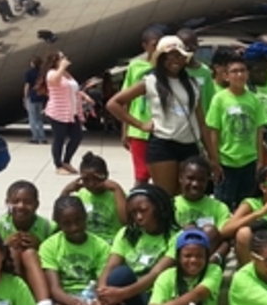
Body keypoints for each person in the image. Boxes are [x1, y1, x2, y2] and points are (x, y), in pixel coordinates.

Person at [107, 36, 221, 196]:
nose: (175, 60)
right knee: (166, 195)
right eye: (169, 56)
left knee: (187, 196)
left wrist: (213, 158)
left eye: (179, 56)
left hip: (189, 145)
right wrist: (140, 125)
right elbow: (114, 103)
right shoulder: (151, 81)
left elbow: (202, 124)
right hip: (163, 144)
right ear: (161, 58)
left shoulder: (193, 84)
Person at [0, 180, 63, 305]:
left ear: (36, 205)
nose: (21, 206)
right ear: (7, 202)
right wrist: (3, 246)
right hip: (8, 279)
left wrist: (41, 245)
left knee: (29, 253)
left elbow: (59, 258)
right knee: (13, 251)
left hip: (39, 279)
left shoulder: (48, 227)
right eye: (15, 201)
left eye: (28, 202)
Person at [206, 53, 267, 211]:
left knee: (245, 204)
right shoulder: (219, 99)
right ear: (226, 76)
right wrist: (215, 161)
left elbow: (259, 131)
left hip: (249, 161)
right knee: (223, 205)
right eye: (234, 71)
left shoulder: (254, 99)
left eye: (242, 70)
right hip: (226, 162)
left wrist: (260, 160)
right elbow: (214, 131)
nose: (239, 74)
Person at [121, 27, 163, 187]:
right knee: (141, 175)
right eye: (154, 44)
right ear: (145, 46)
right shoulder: (135, 66)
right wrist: (125, 130)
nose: (158, 48)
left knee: (162, 176)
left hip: (162, 129)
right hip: (139, 130)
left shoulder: (168, 68)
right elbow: (126, 100)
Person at [174, 156, 232, 264]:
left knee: (210, 230)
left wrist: (214, 259)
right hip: (177, 260)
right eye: (190, 178)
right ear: (180, 178)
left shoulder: (219, 207)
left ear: (207, 181)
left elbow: (225, 241)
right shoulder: (169, 206)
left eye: (201, 180)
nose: (195, 184)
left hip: (210, 260)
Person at [61, 152, 126, 245]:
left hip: (111, 243)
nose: (91, 184)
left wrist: (117, 189)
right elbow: (59, 219)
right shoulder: (81, 195)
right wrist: (66, 191)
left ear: (106, 175)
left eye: (96, 178)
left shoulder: (117, 195)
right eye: (86, 179)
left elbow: (125, 221)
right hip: (87, 244)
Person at [43, 51, 84, 175]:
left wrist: (84, 97)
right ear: (55, 61)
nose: (65, 59)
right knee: (59, 139)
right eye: (62, 57)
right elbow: (55, 81)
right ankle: (58, 165)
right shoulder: (52, 73)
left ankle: (67, 161)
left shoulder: (66, 74)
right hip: (57, 111)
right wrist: (62, 67)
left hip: (71, 112)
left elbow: (73, 89)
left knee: (77, 136)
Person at [177, 28, 216, 115]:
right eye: (183, 46)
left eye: (191, 46)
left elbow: (210, 99)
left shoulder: (204, 72)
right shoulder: (174, 70)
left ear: (197, 46)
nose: (187, 50)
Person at [22, 56, 47, 144]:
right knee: (39, 118)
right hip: (40, 96)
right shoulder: (42, 73)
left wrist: (25, 97)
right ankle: (42, 137)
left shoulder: (29, 73)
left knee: (32, 118)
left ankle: (35, 137)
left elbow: (27, 86)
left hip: (32, 96)